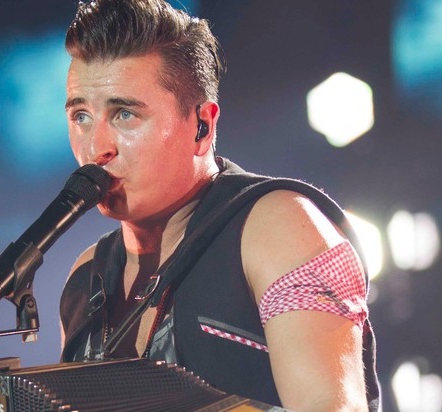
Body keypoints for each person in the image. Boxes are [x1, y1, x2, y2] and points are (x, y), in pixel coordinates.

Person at [59, 0, 380, 410]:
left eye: (124, 114)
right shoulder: (86, 276)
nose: (96, 148)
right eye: (81, 116)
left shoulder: (280, 227)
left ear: (202, 126)